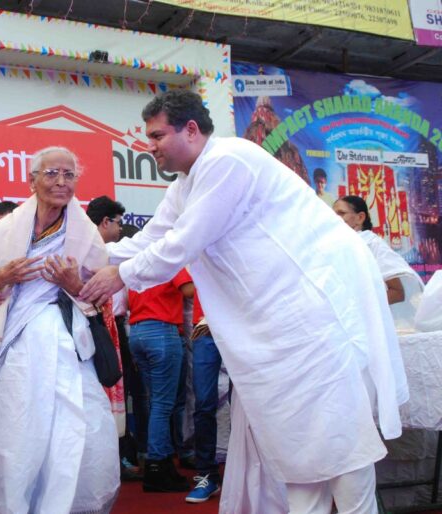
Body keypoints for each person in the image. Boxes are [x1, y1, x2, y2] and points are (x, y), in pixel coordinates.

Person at [80, 90, 407, 513]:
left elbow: (182, 243)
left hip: (312, 318)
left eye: (157, 135)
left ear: (191, 130)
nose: (151, 145)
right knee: (297, 452)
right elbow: (149, 239)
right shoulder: (185, 185)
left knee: (342, 446)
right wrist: (87, 257)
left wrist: (116, 275)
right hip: (275, 333)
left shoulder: (226, 161)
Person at [0, 146, 120, 513]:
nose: (61, 182)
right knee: (16, 433)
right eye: (52, 173)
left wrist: (73, 285)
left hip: (69, 348)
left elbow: (101, 299)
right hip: (15, 349)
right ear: (32, 179)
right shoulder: (2, 232)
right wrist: (2, 277)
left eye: (69, 175)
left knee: (70, 433)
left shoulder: (86, 234)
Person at [127, 268, 193, 492]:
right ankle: (157, 466)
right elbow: (189, 290)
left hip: (137, 333)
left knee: (157, 403)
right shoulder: (169, 259)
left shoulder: (139, 263)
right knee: (163, 405)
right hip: (162, 331)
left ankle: (162, 463)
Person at [87, 195, 136, 481]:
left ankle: (114, 460)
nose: (120, 229)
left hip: (112, 327)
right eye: (117, 223)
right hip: (96, 329)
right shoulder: (89, 251)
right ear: (105, 222)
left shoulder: (107, 251)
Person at [334, 195, 424, 331]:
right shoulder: (335, 247)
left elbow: (398, 293)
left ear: (360, 218)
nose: (335, 218)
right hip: (343, 325)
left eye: (341, 213)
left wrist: (359, 309)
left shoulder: (371, 244)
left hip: (369, 327)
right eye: (333, 214)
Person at [181, 270, 222, 504]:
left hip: (240, 321)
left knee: (248, 402)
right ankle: (207, 474)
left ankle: (255, 474)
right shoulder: (197, 239)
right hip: (204, 326)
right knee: (203, 401)